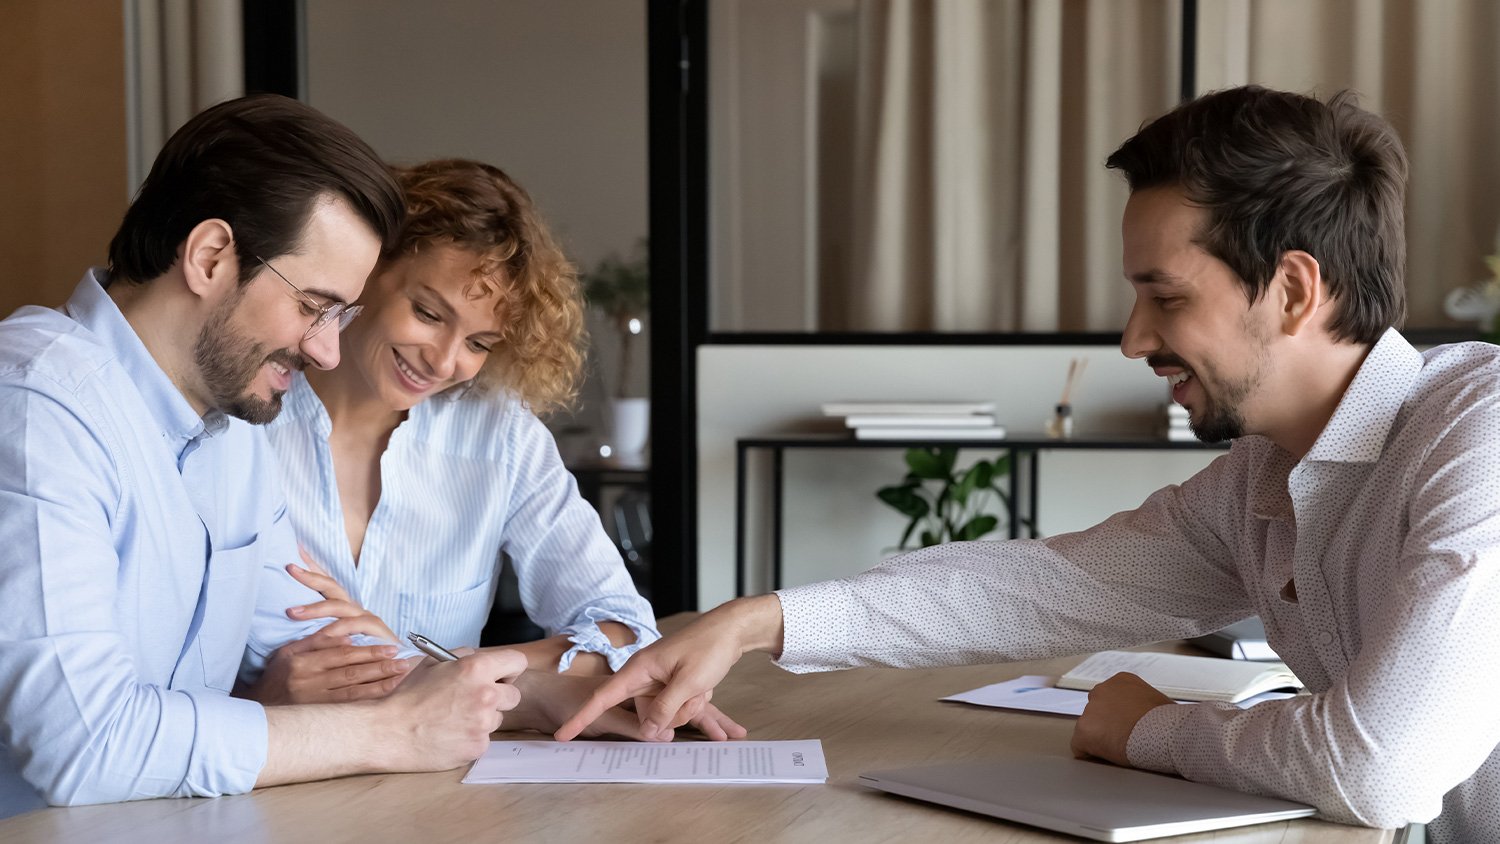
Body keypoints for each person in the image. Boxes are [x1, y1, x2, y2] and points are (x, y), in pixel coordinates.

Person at [558, 85, 1500, 842]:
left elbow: (1382, 767)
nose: (1135, 340)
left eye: (1163, 297)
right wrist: (761, 619)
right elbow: (1040, 586)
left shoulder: (1480, 437)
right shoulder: (1260, 481)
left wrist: (1145, 730)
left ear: (1293, 289)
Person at [0, 96, 527, 818]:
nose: (327, 349)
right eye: (314, 305)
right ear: (210, 257)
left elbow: (329, 648)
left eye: (340, 315)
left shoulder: (235, 432)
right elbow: (81, 741)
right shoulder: (35, 407)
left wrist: (552, 690)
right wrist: (392, 731)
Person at [244, 158, 742, 740]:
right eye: (428, 313)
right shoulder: (244, 418)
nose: (445, 360)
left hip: (439, 792)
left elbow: (626, 631)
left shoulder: (500, 435)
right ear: (367, 266)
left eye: (479, 342)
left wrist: (453, 671)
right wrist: (259, 694)